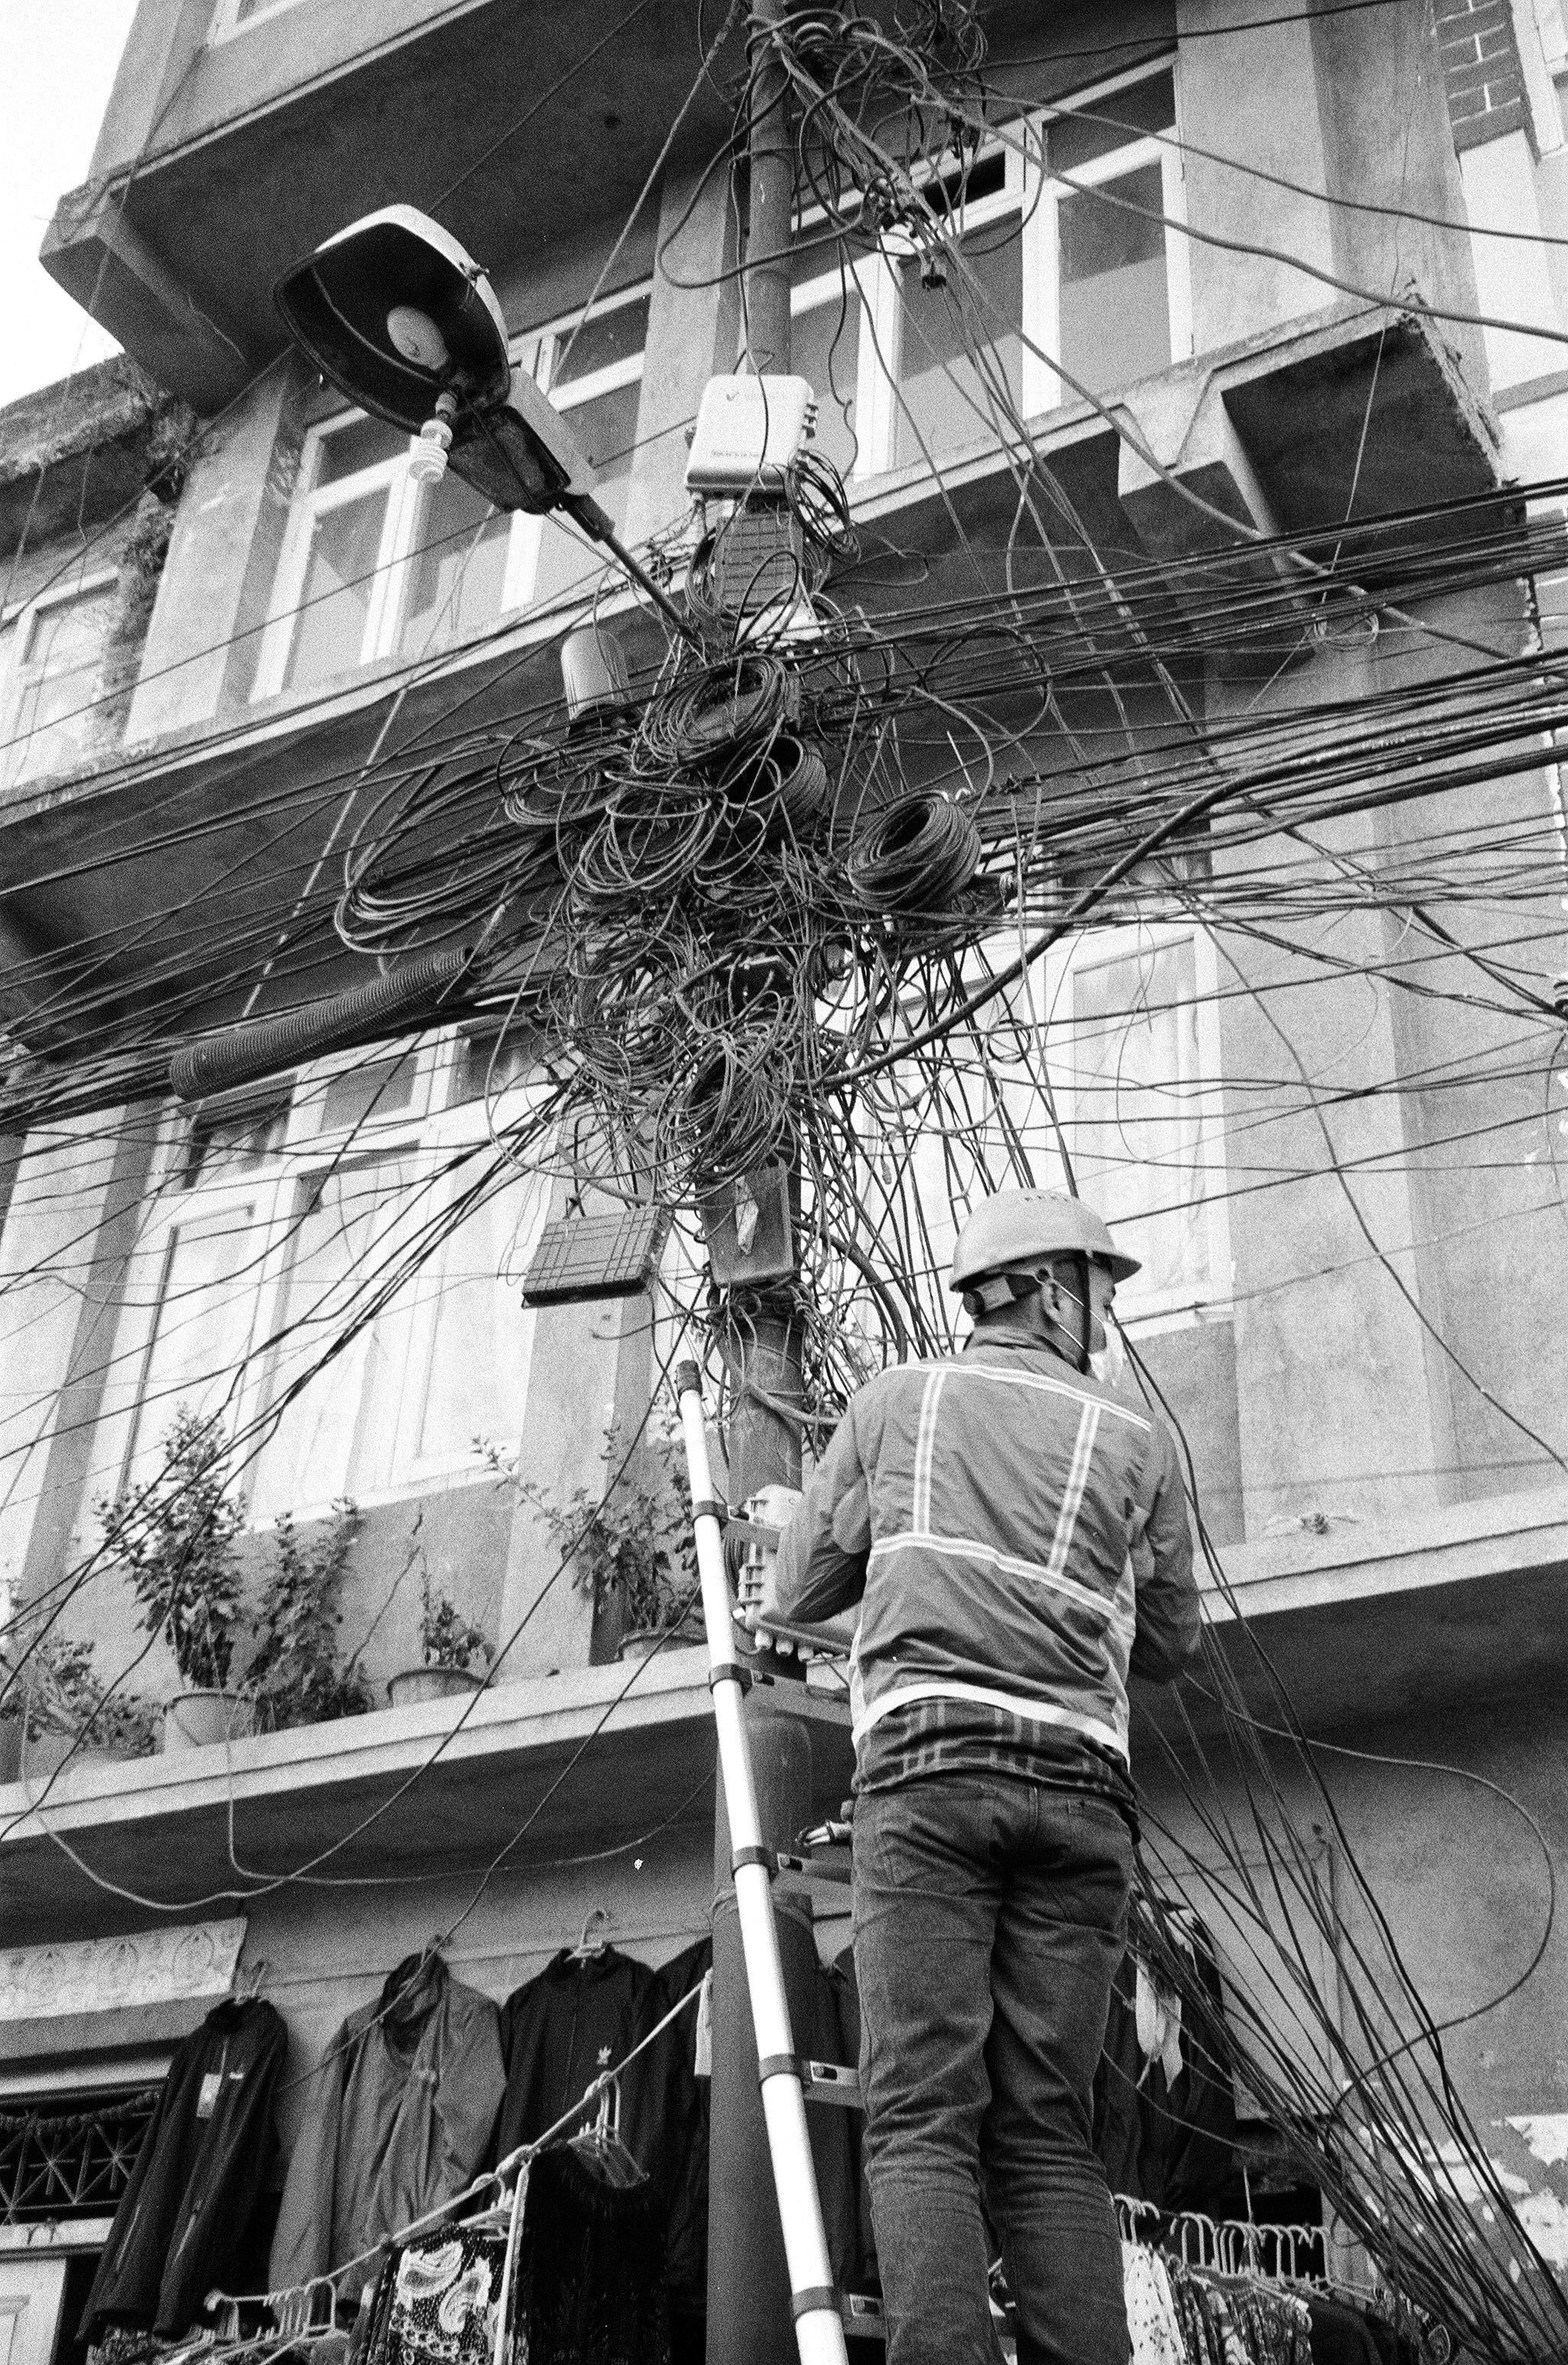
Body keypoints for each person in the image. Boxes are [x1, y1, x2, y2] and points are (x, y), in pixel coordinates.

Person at [765, 1187, 1200, 2365]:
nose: (1106, 1316)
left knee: (920, 2115)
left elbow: (791, 1600)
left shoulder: (896, 1404)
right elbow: (1171, 1643)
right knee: (1048, 2134)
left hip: (931, 1778)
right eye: (1101, 1290)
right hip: (1082, 1798)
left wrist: (836, 1525)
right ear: (1053, 1290)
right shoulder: (1136, 1442)